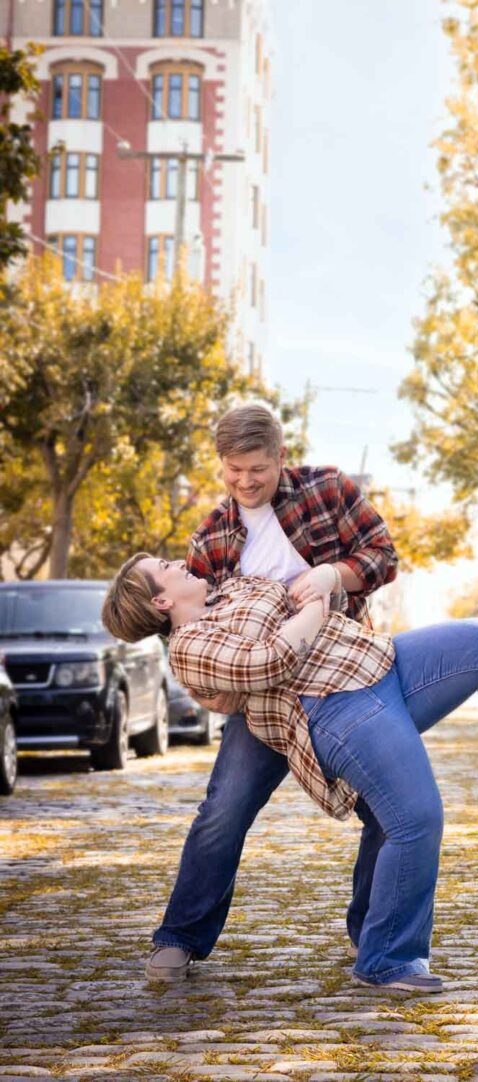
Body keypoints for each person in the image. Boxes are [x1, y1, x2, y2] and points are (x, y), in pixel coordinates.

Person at [102, 555, 478, 993]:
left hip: (383, 659)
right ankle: (387, 959)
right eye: (165, 567)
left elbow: (294, 608)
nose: (180, 562)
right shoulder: (190, 647)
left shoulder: (233, 587)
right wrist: (308, 610)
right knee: (415, 818)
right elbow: (272, 661)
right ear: (161, 602)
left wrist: (313, 598)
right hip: (332, 705)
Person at [137, 404, 401, 983]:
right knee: (223, 810)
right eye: (233, 470)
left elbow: (383, 557)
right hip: (263, 701)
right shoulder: (210, 537)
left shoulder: (327, 489)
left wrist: (333, 575)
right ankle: (180, 936)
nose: (245, 481)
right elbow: (185, 629)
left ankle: (371, 934)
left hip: (342, 684)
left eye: (257, 468)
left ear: (281, 456)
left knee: (390, 807)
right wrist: (208, 692)